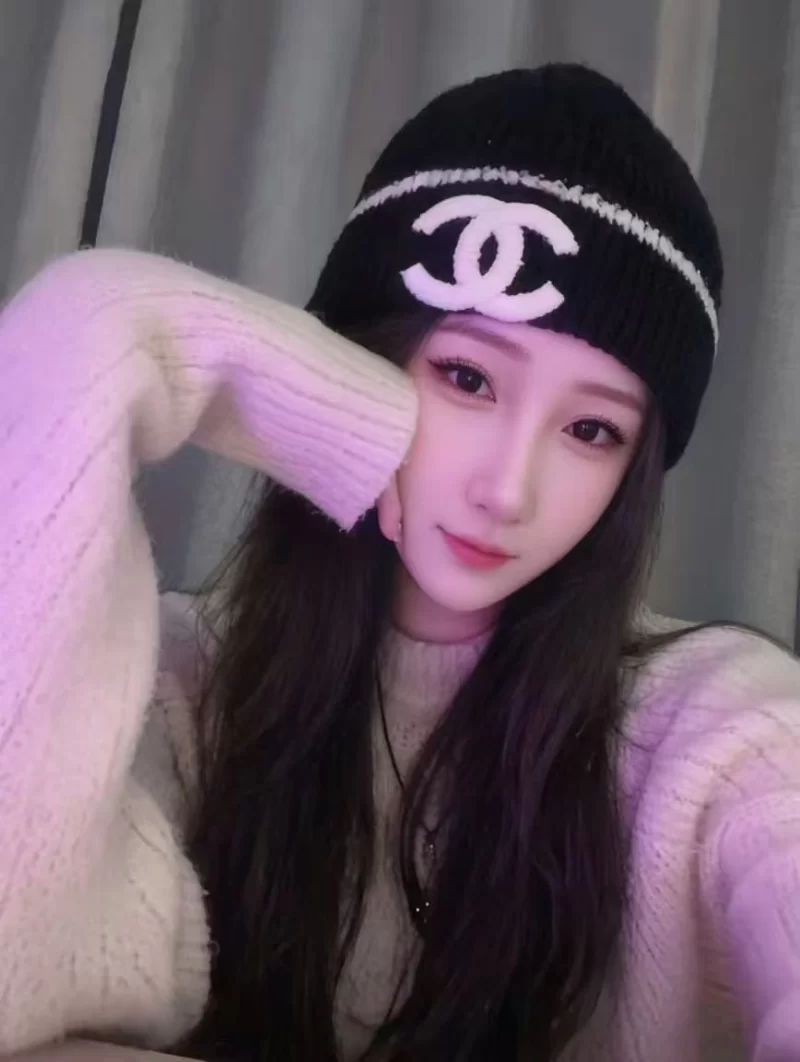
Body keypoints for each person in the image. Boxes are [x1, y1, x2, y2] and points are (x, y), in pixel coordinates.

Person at [0, 63, 798, 1062]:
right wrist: (113, 327)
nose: (507, 490)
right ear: (348, 362)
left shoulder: (717, 728)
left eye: (591, 431)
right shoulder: (179, 685)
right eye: (466, 377)